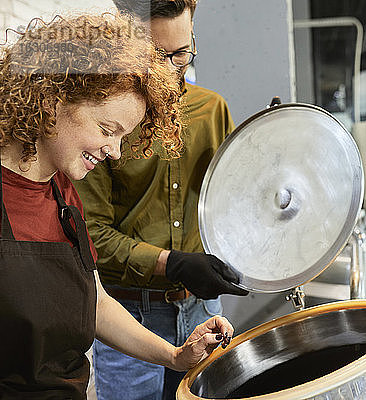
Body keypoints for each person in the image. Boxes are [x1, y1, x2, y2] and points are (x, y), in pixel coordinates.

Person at [0, 12, 234, 400]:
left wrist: (175, 356)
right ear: (52, 101)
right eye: (108, 131)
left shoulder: (62, 192)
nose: (115, 151)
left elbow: (95, 304)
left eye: (125, 136)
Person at [72, 1, 249, 399]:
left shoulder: (211, 110)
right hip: (130, 316)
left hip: (203, 311)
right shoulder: (106, 123)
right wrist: (172, 263)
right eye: (156, 56)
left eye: (181, 53)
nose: (170, 68)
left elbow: (234, 205)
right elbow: (92, 236)